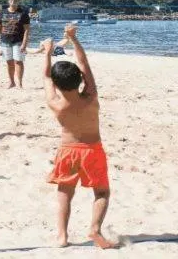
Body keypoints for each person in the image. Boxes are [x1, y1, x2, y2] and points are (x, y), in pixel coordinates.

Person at [42, 24, 115, 249]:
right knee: (102, 191)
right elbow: (84, 64)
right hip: (92, 149)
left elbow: (46, 77)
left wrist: (47, 52)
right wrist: (73, 39)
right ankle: (95, 228)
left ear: (56, 84)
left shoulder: (55, 104)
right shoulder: (91, 97)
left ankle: (62, 236)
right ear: (80, 80)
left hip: (67, 150)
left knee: (64, 192)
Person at [0, 0, 31, 89]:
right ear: (8, 1)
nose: (13, 1)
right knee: (9, 62)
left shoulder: (23, 14)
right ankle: (11, 82)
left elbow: (27, 30)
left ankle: (19, 83)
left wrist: (24, 43)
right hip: (5, 41)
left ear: (18, 1)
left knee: (18, 61)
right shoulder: (2, 13)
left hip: (18, 41)